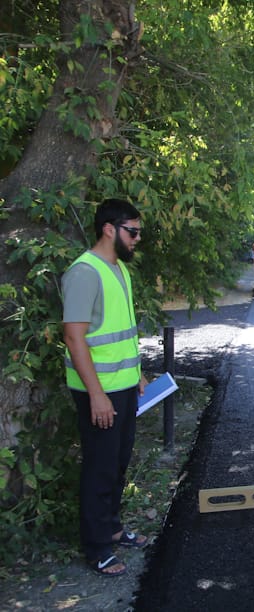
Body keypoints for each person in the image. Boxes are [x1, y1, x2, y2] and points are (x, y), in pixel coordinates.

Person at [62, 198, 149, 577]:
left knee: (117, 463)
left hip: (123, 386)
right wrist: (96, 394)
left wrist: (137, 374)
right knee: (100, 468)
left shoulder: (119, 269)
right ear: (109, 229)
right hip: (98, 392)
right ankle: (97, 547)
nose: (137, 239)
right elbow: (74, 337)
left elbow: (120, 333)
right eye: (132, 232)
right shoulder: (84, 272)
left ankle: (112, 528)